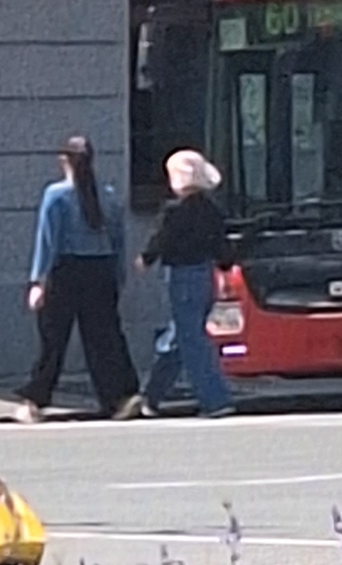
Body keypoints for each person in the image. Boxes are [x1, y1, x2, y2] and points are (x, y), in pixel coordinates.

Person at [16, 136, 141, 420]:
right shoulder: (108, 195)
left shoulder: (56, 195)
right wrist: (118, 276)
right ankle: (121, 395)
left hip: (67, 270)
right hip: (101, 270)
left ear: (64, 161)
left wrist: (38, 281)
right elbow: (119, 241)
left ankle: (35, 400)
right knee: (106, 338)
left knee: (53, 339)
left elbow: (48, 241)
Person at [135, 148, 237, 419]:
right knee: (180, 335)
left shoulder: (173, 211)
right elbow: (221, 244)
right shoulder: (212, 209)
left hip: (179, 275)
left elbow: (161, 239)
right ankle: (150, 395)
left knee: (191, 339)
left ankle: (215, 399)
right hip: (205, 274)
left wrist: (146, 259)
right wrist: (226, 266)